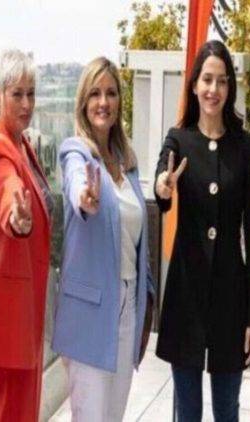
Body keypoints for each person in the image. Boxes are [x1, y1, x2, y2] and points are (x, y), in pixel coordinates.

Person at [153, 40, 250, 422]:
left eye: (221, 81)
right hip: (186, 298)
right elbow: (161, 181)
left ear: (230, 87)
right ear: (194, 85)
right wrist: (163, 187)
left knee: (228, 411)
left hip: (231, 301)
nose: (213, 89)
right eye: (206, 79)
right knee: (187, 412)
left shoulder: (246, 147)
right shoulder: (178, 140)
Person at [52, 56, 155, 421]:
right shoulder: (74, 151)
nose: (103, 102)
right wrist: (85, 197)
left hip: (127, 307)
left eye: (111, 93)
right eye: (95, 93)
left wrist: (148, 297)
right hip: (90, 313)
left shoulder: (127, 162)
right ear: (83, 102)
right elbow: (78, 181)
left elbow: (138, 240)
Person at [0, 49, 54, 422]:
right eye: (16, 94)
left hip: (26, 317)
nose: (26, 103)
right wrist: (16, 216)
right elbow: (6, 185)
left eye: (31, 93)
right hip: (7, 322)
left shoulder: (24, 144)